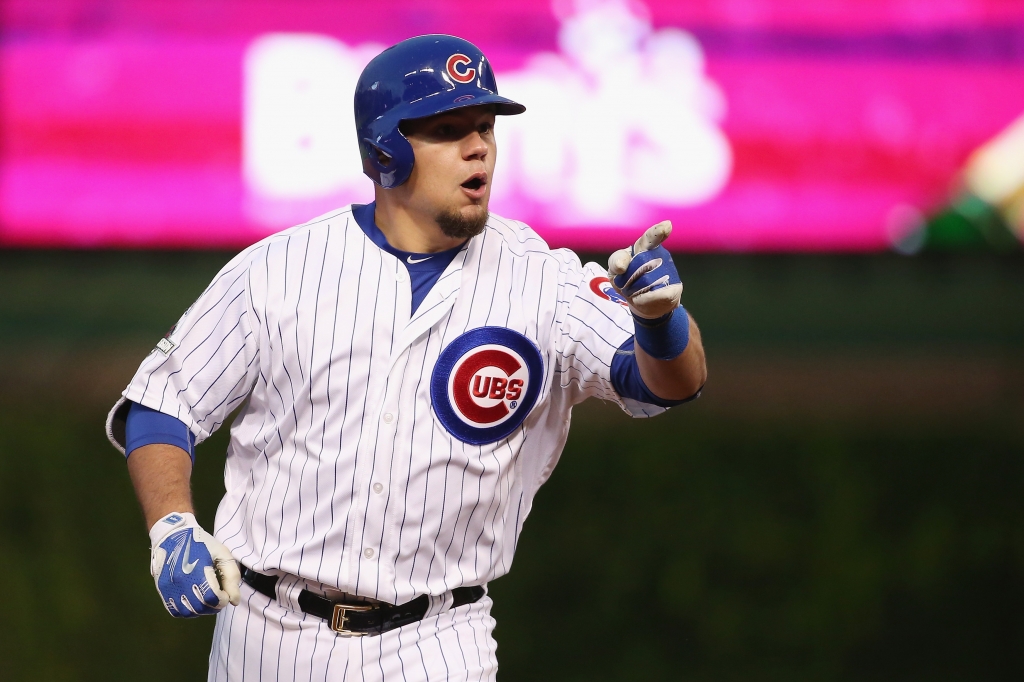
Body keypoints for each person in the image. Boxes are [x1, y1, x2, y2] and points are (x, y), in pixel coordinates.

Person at [105, 34, 706, 681]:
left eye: (485, 127)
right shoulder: (278, 271)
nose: (479, 147)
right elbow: (163, 405)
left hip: (439, 638)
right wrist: (172, 527)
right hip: (268, 632)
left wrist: (660, 321)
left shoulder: (544, 280)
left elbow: (668, 384)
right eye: (449, 130)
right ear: (385, 151)